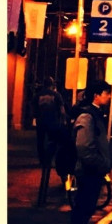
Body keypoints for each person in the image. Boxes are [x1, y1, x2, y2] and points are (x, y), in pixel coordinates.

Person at [64, 79, 112, 224]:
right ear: (96, 95)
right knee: (83, 206)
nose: (109, 97)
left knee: (87, 206)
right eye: (106, 93)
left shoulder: (95, 114)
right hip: (88, 170)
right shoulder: (87, 116)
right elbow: (84, 146)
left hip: (91, 168)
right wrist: (100, 164)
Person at [33, 77, 66, 208]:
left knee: (40, 141)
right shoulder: (56, 95)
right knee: (54, 141)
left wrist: (36, 116)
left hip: (41, 121)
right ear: (52, 85)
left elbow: (33, 107)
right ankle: (50, 159)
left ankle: (42, 159)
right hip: (53, 123)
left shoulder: (38, 95)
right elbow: (62, 109)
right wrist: (62, 120)